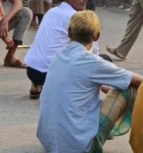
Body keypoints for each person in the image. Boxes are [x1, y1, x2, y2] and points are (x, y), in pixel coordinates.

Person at [37, 10, 142, 153]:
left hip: (49, 142)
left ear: (69, 32)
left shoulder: (57, 57)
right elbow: (138, 80)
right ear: (97, 36)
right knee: (131, 88)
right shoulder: (93, 63)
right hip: (78, 148)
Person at [24, 0, 89, 99]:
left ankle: (36, 85)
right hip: (52, 74)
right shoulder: (76, 18)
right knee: (102, 59)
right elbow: (91, 52)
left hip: (32, 70)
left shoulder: (51, 11)